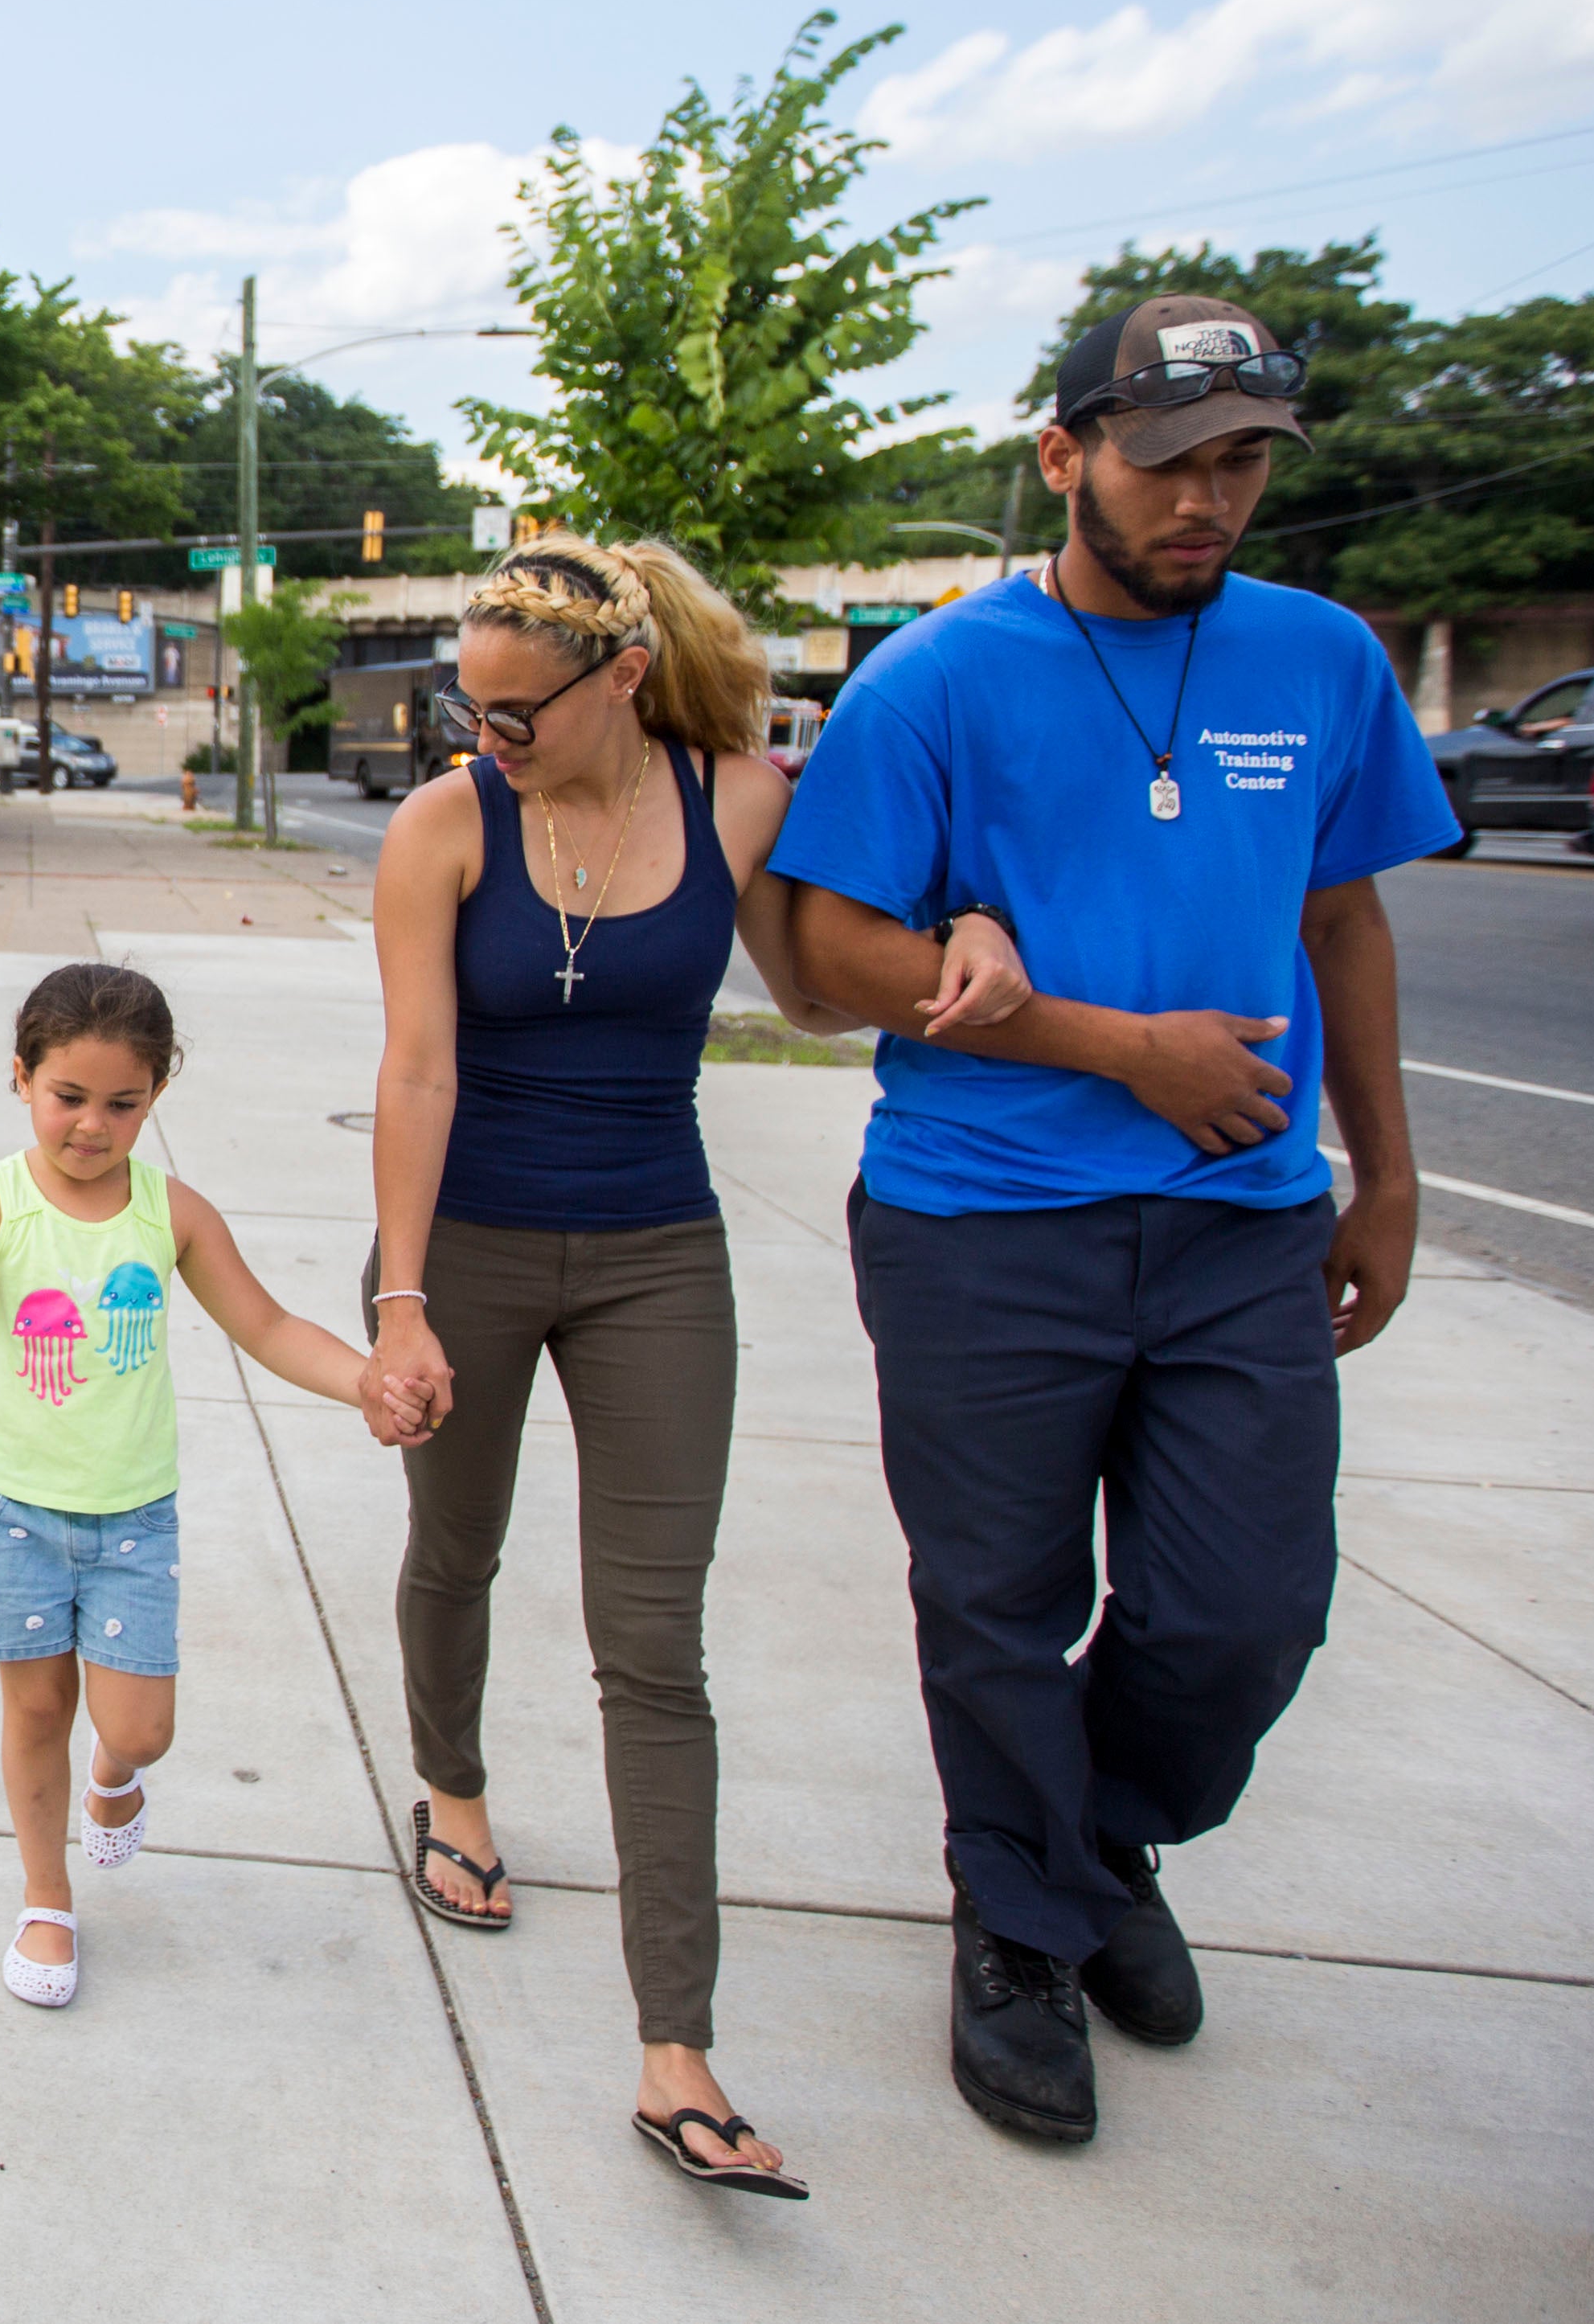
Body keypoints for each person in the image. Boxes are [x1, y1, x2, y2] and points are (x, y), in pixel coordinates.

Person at [775, 295, 1454, 2144]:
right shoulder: (938, 677)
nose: (1206, 502)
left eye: (1241, 462)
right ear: (1068, 454)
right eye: (1169, 464)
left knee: (1243, 1615)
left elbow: (1345, 922)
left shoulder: (1320, 660)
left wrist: (1385, 1172)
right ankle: (1018, 1920)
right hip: (985, 1219)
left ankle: (1097, 1840)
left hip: (1245, 1216)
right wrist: (1119, 1048)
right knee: (996, 1600)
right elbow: (829, 949)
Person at [359, 534, 1028, 2203]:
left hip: (660, 1248)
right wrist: (402, 1298)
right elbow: (420, 1072)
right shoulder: (445, 826)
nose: (484, 733)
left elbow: (812, 987)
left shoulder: (739, 793)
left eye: (517, 709)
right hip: (471, 1245)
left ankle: (677, 2054)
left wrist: (972, 925)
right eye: (471, 702)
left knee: (652, 1643)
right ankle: (453, 1790)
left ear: (623, 679)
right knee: (458, 1547)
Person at [0, 962, 376, 2006]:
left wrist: (365, 1381)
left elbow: (267, 1326)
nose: (91, 1125)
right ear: (20, 1078)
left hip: (133, 1512)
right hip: (9, 1505)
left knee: (138, 1725)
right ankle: (45, 1899)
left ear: (154, 1098)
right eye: (68, 1096)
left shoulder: (171, 1211)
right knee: (37, 1704)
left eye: (120, 1103)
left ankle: (113, 1778)